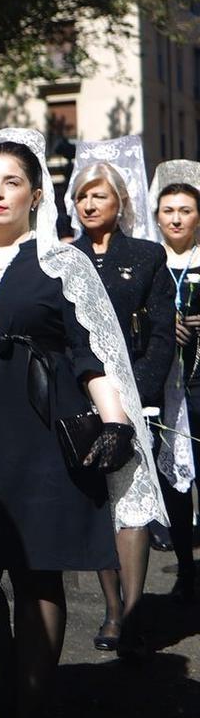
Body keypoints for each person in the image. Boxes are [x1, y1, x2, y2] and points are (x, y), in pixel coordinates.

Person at [0, 127, 162, 718]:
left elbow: (91, 354)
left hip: (39, 435)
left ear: (35, 195)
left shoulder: (63, 265)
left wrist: (115, 425)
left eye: (12, 183)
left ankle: (29, 708)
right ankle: (7, 665)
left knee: (36, 572)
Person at [66, 141, 174, 654]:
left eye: (99, 195)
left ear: (120, 203)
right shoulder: (63, 259)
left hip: (135, 395)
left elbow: (159, 333)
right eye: (82, 196)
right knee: (96, 503)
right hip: (80, 393)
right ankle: (110, 610)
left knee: (131, 503)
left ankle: (131, 614)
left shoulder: (147, 256)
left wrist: (143, 392)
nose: (89, 204)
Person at [150, 163, 200, 600]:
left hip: (199, 382)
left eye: (185, 210)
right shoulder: (148, 262)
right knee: (174, 481)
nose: (177, 218)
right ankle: (186, 566)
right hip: (165, 385)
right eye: (168, 210)